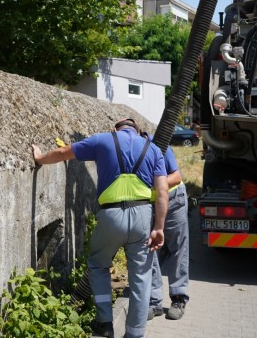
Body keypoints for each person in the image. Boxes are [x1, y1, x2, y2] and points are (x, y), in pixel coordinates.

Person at [32, 118, 168, 338]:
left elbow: (63, 152)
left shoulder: (103, 140)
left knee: (98, 264)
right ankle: (135, 333)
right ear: (138, 131)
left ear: (115, 129)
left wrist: (39, 157)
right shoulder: (152, 149)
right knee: (141, 277)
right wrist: (159, 227)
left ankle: (104, 322)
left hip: (111, 216)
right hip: (143, 215)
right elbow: (162, 192)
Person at [146, 139, 189, 321]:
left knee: (177, 248)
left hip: (173, 201)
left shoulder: (155, 144)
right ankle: (154, 302)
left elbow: (176, 176)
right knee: (150, 248)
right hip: (149, 203)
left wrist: (151, 186)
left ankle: (178, 298)